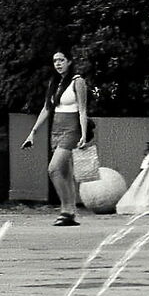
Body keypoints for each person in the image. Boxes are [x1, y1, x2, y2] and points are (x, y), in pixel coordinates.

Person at [21, 50, 95, 227]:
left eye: (61, 60)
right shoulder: (55, 82)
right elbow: (47, 109)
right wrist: (33, 132)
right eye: (55, 61)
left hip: (72, 129)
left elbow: (83, 110)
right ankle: (71, 213)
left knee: (53, 169)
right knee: (65, 172)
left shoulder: (78, 81)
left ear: (69, 61)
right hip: (56, 128)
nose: (58, 64)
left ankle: (66, 210)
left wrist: (84, 135)